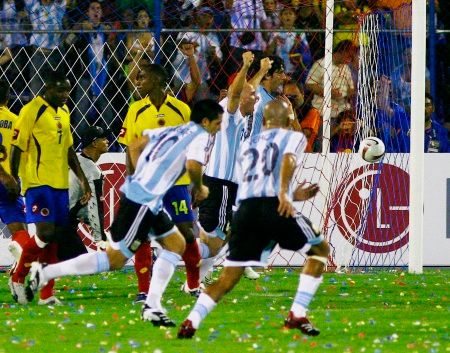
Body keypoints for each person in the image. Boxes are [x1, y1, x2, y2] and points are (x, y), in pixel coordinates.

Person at [28, 99, 224, 327]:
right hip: (142, 200)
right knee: (115, 259)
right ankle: (45, 272)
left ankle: (152, 306)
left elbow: (135, 144)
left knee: (176, 244)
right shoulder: (200, 135)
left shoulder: (173, 130)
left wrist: (138, 175)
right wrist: (199, 187)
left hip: (148, 199)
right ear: (205, 121)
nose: (219, 128)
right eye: (218, 123)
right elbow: (193, 165)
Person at [177, 99, 330, 339]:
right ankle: (297, 313)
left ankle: (191, 321)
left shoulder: (247, 144)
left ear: (264, 121)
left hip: (246, 211)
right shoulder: (293, 137)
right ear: (289, 120)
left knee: (228, 278)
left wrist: (291, 193)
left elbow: (256, 179)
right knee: (320, 249)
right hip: (274, 207)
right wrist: (284, 193)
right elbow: (288, 160)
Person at [118, 63, 203, 301]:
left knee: (186, 232)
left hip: (176, 183)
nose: (138, 81)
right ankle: (144, 290)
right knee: (142, 235)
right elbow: (129, 149)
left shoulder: (181, 110)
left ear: (156, 80)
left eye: (142, 77)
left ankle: (194, 285)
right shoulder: (135, 109)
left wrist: (197, 182)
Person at [9, 70, 91, 305]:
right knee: (45, 233)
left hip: (59, 185)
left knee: (54, 239)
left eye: (67, 89)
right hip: (37, 182)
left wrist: (82, 178)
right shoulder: (31, 110)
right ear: (47, 88)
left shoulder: (64, 111)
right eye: (60, 90)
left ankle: (47, 294)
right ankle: (18, 276)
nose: (66, 94)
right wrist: (14, 177)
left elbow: (68, 149)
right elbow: (17, 146)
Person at [195, 52, 270, 285]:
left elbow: (247, 90)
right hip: (221, 184)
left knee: (220, 236)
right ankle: (170, 250)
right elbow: (239, 92)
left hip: (225, 184)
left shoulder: (239, 111)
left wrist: (262, 71)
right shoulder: (230, 113)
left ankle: (196, 279)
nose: (256, 99)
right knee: (215, 241)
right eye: (253, 96)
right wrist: (246, 65)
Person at [58, 125, 110, 261]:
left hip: (53, 218)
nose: (108, 141)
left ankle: (24, 257)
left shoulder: (74, 160)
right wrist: (101, 239)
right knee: (86, 267)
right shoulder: (93, 171)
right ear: (94, 143)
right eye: (103, 138)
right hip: (64, 226)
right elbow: (96, 208)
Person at [0, 79, 31, 297]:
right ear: (8, 97)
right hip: (7, 183)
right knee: (20, 232)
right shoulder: (15, 120)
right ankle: (17, 272)